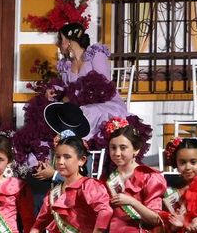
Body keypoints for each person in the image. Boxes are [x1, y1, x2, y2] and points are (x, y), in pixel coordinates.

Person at [25, 22, 131, 178]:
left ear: (67, 41)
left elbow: (104, 85)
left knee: (85, 111)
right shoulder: (66, 65)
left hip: (105, 104)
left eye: (59, 39)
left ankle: (77, 147)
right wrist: (54, 91)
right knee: (53, 113)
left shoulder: (95, 55)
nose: (58, 43)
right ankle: (43, 161)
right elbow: (67, 87)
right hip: (76, 107)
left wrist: (75, 95)